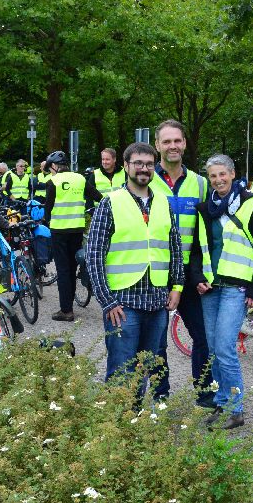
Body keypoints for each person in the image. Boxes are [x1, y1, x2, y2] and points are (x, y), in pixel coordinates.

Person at [86, 142, 183, 393]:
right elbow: (94, 254)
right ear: (126, 166)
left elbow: (175, 248)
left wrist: (177, 286)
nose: (144, 168)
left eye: (149, 164)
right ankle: (120, 424)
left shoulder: (163, 202)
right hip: (122, 303)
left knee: (149, 365)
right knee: (121, 370)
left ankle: (141, 419)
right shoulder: (110, 203)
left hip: (157, 302)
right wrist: (107, 300)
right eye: (138, 163)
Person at [188, 154, 253, 430]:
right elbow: (199, 248)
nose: (218, 180)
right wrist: (197, 277)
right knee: (212, 348)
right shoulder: (203, 209)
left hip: (237, 286)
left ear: (233, 174)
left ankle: (236, 409)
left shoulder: (250, 204)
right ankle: (222, 402)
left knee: (224, 348)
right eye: (213, 176)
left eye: (223, 174)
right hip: (210, 287)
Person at [150, 120, 212, 405]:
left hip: (189, 272)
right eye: (166, 141)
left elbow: (207, 231)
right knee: (156, 340)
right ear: (157, 146)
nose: (172, 146)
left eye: (177, 141)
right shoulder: (145, 179)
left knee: (203, 335)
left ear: (185, 143)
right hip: (156, 271)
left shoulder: (200, 183)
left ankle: (204, 393)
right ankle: (160, 394)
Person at [42, 150, 101, 322]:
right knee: (72, 267)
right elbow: (98, 197)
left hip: (59, 232)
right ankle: (69, 303)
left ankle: (66, 310)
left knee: (63, 270)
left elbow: (48, 208)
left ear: (54, 166)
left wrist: (45, 221)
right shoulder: (80, 179)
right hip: (76, 231)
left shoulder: (53, 181)